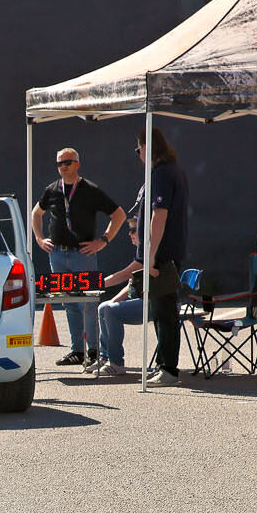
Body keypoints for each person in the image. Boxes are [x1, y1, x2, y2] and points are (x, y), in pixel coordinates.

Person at [93, 128, 190, 383]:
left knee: (165, 315)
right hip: (163, 254)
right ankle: (164, 367)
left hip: (161, 256)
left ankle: (168, 369)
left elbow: (159, 215)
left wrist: (151, 256)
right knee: (161, 313)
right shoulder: (171, 172)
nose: (138, 155)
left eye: (138, 149)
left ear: (147, 147)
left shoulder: (161, 173)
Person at [33, 146, 125, 367]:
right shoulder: (52, 189)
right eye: (59, 163)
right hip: (57, 255)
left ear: (78, 164)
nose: (63, 167)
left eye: (67, 162)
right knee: (69, 303)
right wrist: (39, 239)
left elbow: (119, 215)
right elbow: (36, 213)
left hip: (82, 255)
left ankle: (93, 351)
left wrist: (103, 241)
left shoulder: (90, 189)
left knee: (88, 304)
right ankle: (78, 351)